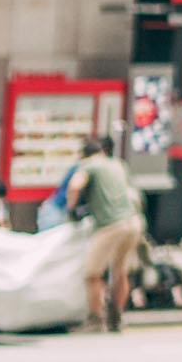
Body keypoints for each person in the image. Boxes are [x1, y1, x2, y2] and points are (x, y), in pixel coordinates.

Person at [62, 135, 146, 333]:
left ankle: (96, 320)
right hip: (133, 223)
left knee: (92, 274)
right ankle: (117, 318)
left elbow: (75, 186)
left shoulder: (89, 166)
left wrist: (71, 209)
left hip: (111, 225)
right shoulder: (118, 165)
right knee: (120, 272)